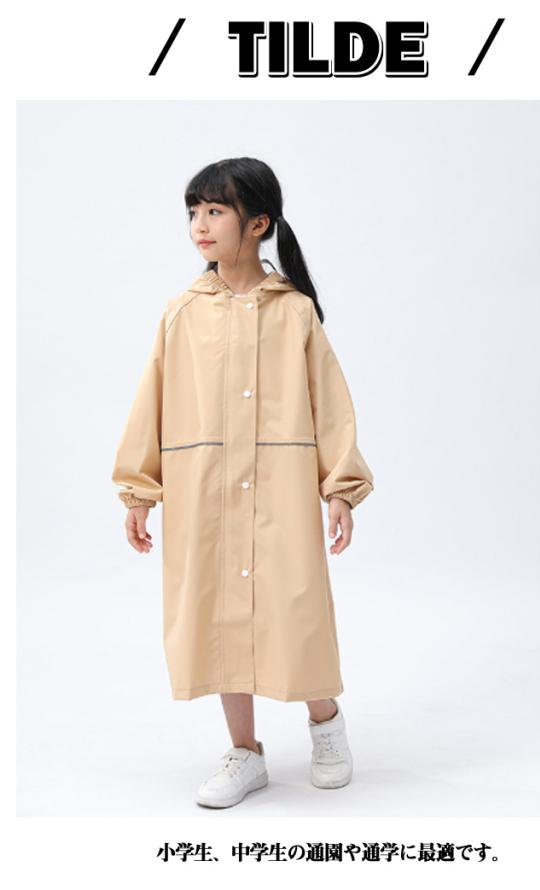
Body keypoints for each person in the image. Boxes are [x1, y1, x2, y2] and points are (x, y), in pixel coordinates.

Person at [112, 157, 374, 808]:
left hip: (280, 488)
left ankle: (325, 726)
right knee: (219, 615)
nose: (199, 225)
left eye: (214, 211)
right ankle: (245, 751)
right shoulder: (181, 313)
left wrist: (340, 488)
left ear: (257, 223)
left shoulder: (295, 313)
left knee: (296, 607)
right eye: (193, 212)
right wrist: (139, 490)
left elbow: (330, 404)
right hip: (204, 488)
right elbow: (152, 400)